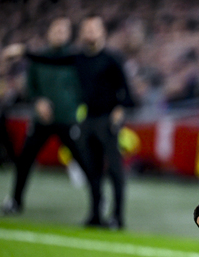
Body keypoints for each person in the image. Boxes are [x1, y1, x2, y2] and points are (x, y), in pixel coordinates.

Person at [28, 16, 135, 229]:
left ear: (103, 31)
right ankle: (95, 215)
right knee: (91, 170)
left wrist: (119, 111)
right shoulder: (79, 57)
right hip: (88, 119)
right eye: (86, 29)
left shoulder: (112, 58)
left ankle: (117, 217)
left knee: (114, 170)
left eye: (94, 28)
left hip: (107, 120)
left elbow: (128, 94)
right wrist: (23, 52)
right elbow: (50, 59)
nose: (90, 32)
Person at [2, 18, 91, 216]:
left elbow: (82, 88)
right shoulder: (39, 57)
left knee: (84, 161)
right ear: (49, 31)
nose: (60, 32)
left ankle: (98, 202)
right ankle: (16, 201)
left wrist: (73, 106)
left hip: (67, 118)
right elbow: (30, 87)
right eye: (56, 28)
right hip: (41, 120)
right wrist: (38, 101)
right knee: (25, 160)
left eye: (64, 30)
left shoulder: (75, 57)